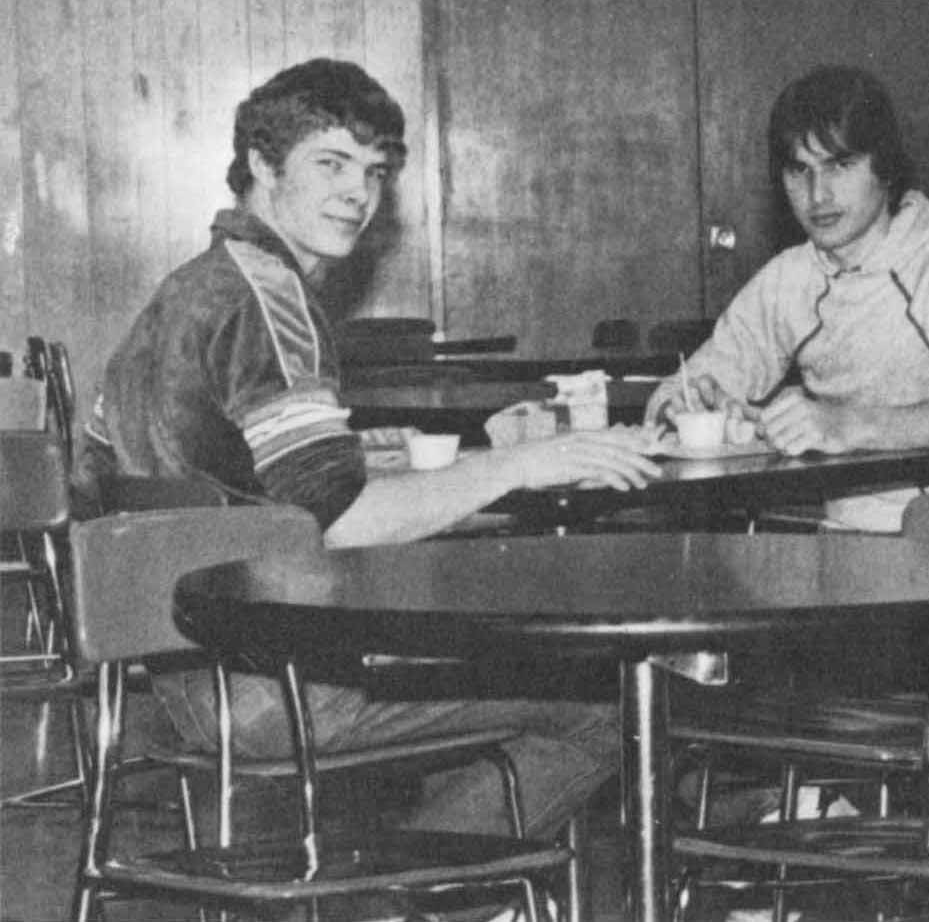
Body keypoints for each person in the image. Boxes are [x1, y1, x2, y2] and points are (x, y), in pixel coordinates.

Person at [76, 58, 661, 852]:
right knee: (612, 697)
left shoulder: (189, 290)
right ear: (261, 164)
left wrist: (449, 458)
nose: (359, 192)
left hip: (177, 675)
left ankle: (416, 870)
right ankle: (405, 889)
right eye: (331, 163)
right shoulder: (266, 301)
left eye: (374, 172)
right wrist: (523, 464)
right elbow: (343, 521)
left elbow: (240, 491)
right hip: (278, 687)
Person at [645, 65, 929, 529]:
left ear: (884, 168)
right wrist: (686, 405)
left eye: (840, 165)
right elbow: (683, 384)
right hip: (840, 538)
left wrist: (852, 425)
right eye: (799, 170)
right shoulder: (791, 278)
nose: (818, 195)